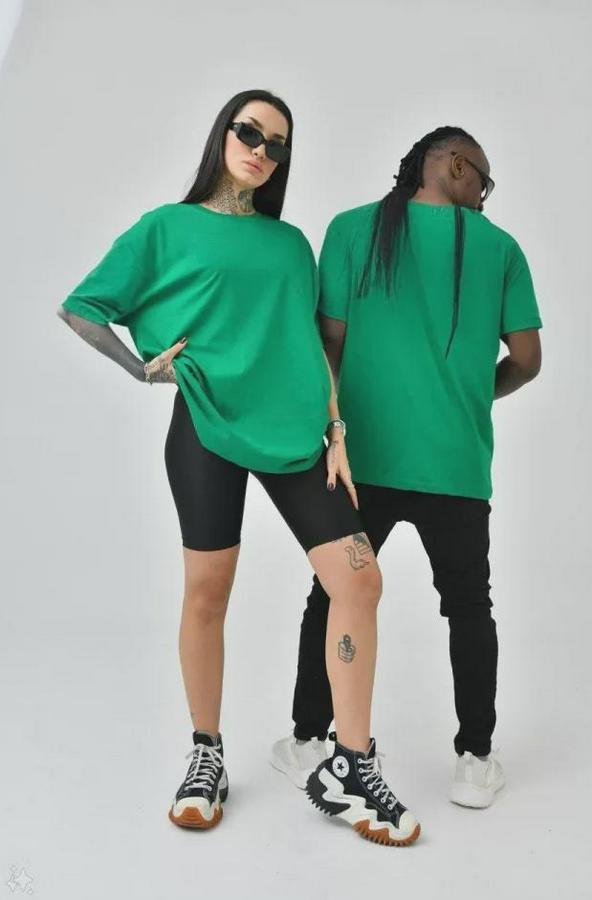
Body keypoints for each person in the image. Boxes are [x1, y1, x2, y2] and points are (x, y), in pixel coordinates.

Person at [57, 89, 421, 846]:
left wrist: (337, 430)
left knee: (359, 580)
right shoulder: (167, 226)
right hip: (207, 426)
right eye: (249, 132)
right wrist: (140, 369)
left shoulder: (290, 245)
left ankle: (351, 765)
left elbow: (310, 345)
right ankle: (206, 753)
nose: (260, 149)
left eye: (276, 143)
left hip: (295, 436)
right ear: (222, 134)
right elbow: (83, 307)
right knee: (207, 593)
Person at [272, 125, 542, 810]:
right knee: (469, 605)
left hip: (360, 459)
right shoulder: (502, 249)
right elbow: (527, 360)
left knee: (332, 594)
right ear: (455, 166)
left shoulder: (351, 230)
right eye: (482, 180)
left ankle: (308, 740)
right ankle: (475, 761)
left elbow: (328, 344)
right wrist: (471, 393)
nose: (484, 197)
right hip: (456, 462)